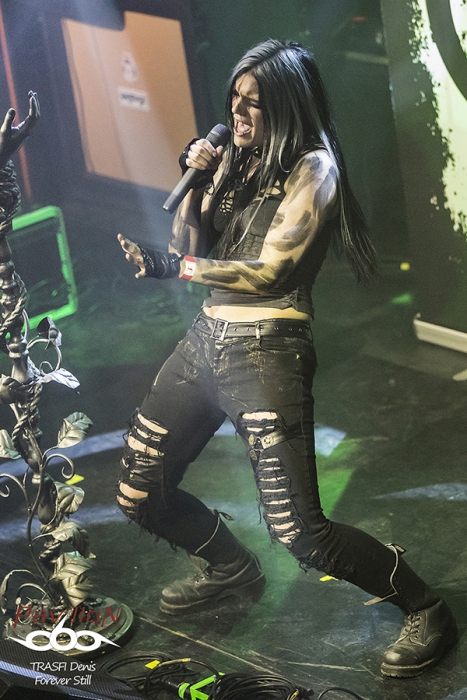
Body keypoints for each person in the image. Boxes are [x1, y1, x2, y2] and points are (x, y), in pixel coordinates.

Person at [116, 40, 457, 678]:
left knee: (300, 532)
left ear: (287, 106)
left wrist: (176, 267)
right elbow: (188, 242)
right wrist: (196, 183)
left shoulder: (314, 168)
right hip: (205, 340)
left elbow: (270, 271)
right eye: (235, 99)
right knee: (140, 490)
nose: (239, 113)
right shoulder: (233, 158)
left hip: (266, 351)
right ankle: (230, 569)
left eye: (254, 103)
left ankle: (427, 607)